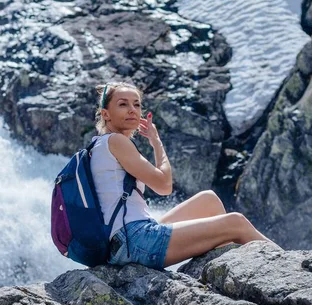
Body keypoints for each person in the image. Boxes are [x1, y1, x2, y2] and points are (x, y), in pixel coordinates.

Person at [90, 81, 275, 271]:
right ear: (106, 114)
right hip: (135, 241)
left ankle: (224, 267)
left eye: (136, 104)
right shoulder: (117, 141)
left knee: (208, 200)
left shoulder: (98, 145)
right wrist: (157, 144)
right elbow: (164, 185)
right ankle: (290, 267)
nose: (132, 110)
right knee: (236, 223)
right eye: (123, 104)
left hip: (123, 241)